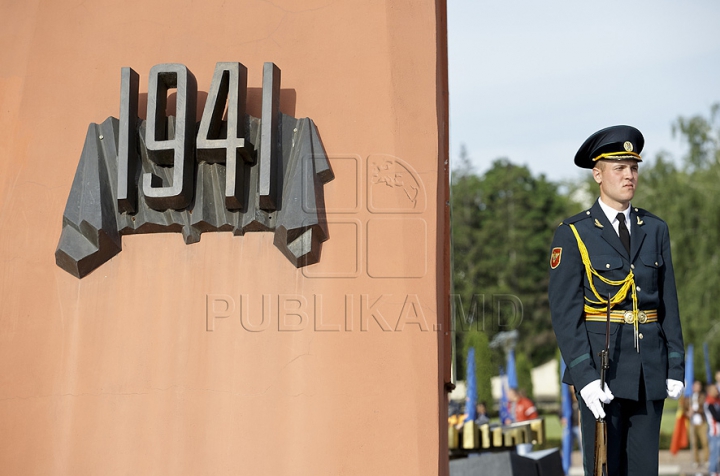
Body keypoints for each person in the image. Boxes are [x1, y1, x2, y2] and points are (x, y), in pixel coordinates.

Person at [548, 125, 685, 476]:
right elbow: (566, 315)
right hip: (602, 373)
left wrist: (675, 364)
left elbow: (668, 303)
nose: (629, 175)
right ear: (598, 174)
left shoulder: (655, 228)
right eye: (619, 168)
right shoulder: (574, 232)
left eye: (634, 167)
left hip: (649, 371)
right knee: (606, 470)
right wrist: (584, 377)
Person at [687, 380, 709, 468]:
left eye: (699, 386)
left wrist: (695, 410)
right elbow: (684, 408)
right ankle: (696, 461)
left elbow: (704, 408)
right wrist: (688, 412)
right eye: (696, 386)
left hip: (701, 422)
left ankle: (707, 460)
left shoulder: (703, 396)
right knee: (694, 443)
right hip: (692, 423)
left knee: (705, 442)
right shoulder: (688, 397)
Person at [705, 384, 720, 476]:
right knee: (714, 453)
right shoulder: (709, 403)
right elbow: (717, 417)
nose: (717, 391)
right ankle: (712, 471)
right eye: (715, 390)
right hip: (714, 432)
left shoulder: (717, 401)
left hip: (718, 431)